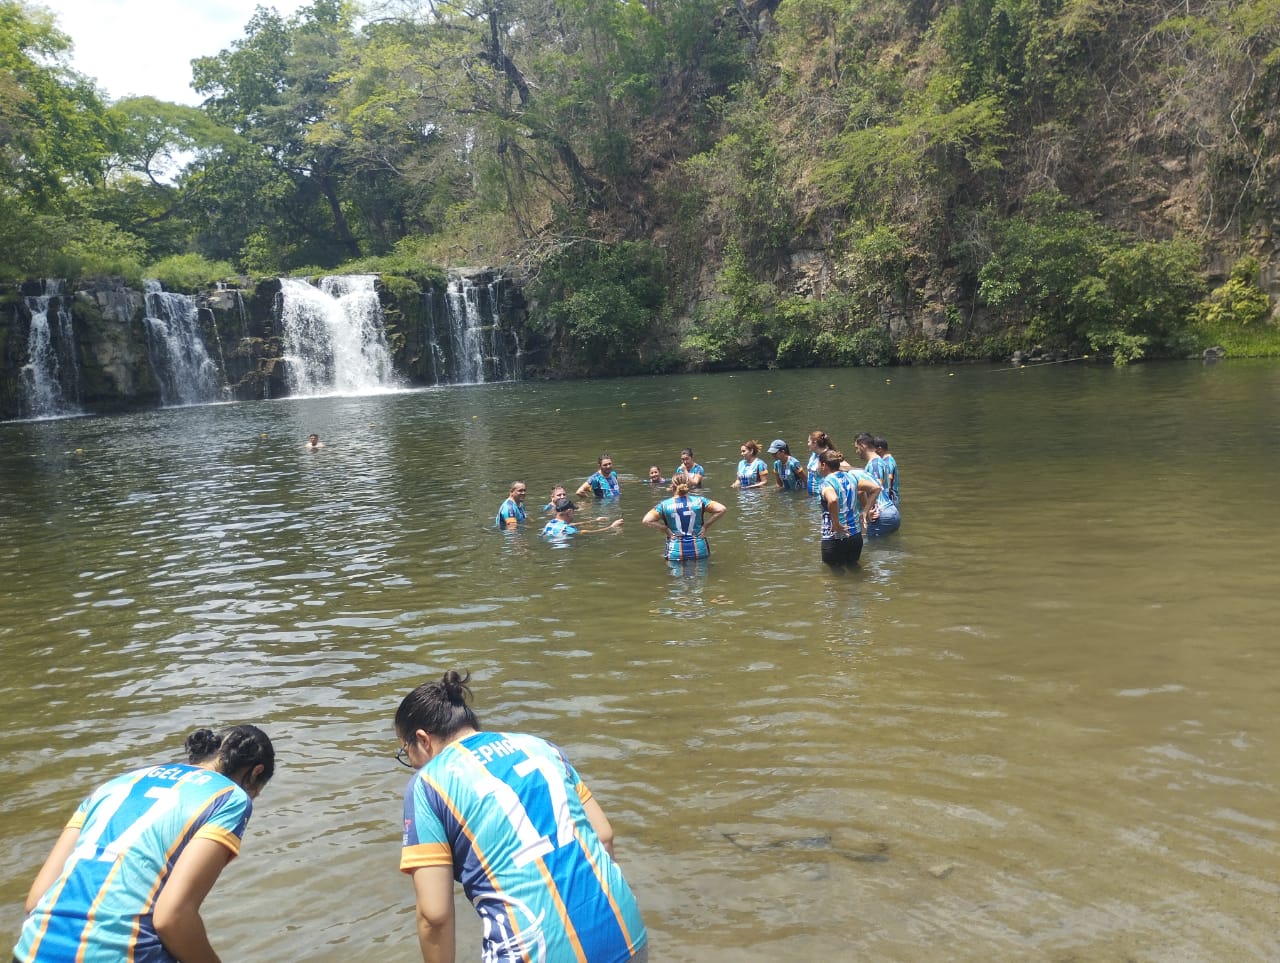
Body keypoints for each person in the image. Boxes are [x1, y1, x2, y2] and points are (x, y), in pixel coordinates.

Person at [396, 671, 648, 963]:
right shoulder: (541, 746)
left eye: (406, 754)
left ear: (423, 740)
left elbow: (434, 915)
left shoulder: (428, 784)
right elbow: (603, 837)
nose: (412, 765)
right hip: (625, 934)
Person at [13, 725, 275, 963]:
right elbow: (171, 917)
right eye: (256, 790)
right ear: (256, 772)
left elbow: (36, 900)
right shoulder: (231, 797)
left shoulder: (113, 785)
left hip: (32, 950)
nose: (252, 796)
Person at [816, 449, 881, 567]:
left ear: (824, 465)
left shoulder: (826, 482)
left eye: (818, 463)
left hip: (834, 538)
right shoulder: (852, 478)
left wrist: (835, 523)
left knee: (834, 578)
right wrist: (865, 511)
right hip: (855, 536)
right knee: (855, 570)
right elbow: (876, 488)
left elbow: (833, 499)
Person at [642, 473, 728, 561]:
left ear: (672, 486)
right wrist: (706, 526)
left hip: (675, 552)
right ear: (689, 486)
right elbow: (722, 509)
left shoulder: (664, 505)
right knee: (701, 573)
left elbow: (646, 520)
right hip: (700, 550)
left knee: (676, 574)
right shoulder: (700, 501)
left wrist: (665, 529)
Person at [855, 432, 901, 537]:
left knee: (873, 549)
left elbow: (875, 489)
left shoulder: (875, 464)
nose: (856, 451)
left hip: (879, 514)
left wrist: (868, 511)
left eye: (857, 448)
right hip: (889, 511)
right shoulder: (880, 461)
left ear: (863, 446)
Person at [541, 497, 624, 541]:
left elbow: (570, 525)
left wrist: (595, 520)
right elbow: (586, 532)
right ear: (569, 511)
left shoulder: (550, 523)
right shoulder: (568, 529)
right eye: (573, 511)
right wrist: (611, 527)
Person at [805, 431, 834, 496]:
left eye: (808, 441)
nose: (808, 444)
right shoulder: (814, 454)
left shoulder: (828, 456)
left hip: (821, 496)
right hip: (812, 496)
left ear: (815, 443)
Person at [874, 435, 900, 505]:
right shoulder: (888, 460)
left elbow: (889, 478)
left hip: (890, 499)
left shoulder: (887, 462)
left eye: (873, 449)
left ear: (879, 449)